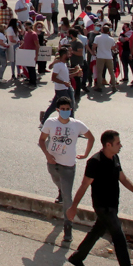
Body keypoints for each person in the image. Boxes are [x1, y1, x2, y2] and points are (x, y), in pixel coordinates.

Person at [65, 130, 133, 266]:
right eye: (118, 143)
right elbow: (83, 186)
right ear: (108, 145)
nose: (121, 146)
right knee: (120, 241)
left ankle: (77, 257)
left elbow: (123, 178)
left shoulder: (115, 158)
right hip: (102, 207)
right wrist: (73, 206)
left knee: (97, 230)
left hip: (113, 206)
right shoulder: (95, 162)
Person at [38, 97, 93, 243]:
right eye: (62, 109)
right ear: (57, 110)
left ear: (71, 110)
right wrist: (48, 155)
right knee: (58, 183)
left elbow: (91, 137)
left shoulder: (77, 125)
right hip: (52, 164)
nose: (65, 112)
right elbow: (41, 140)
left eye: (67, 109)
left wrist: (86, 154)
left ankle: (68, 226)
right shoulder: (50, 123)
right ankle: (60, 191)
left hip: (68, 166)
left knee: (68, 197)